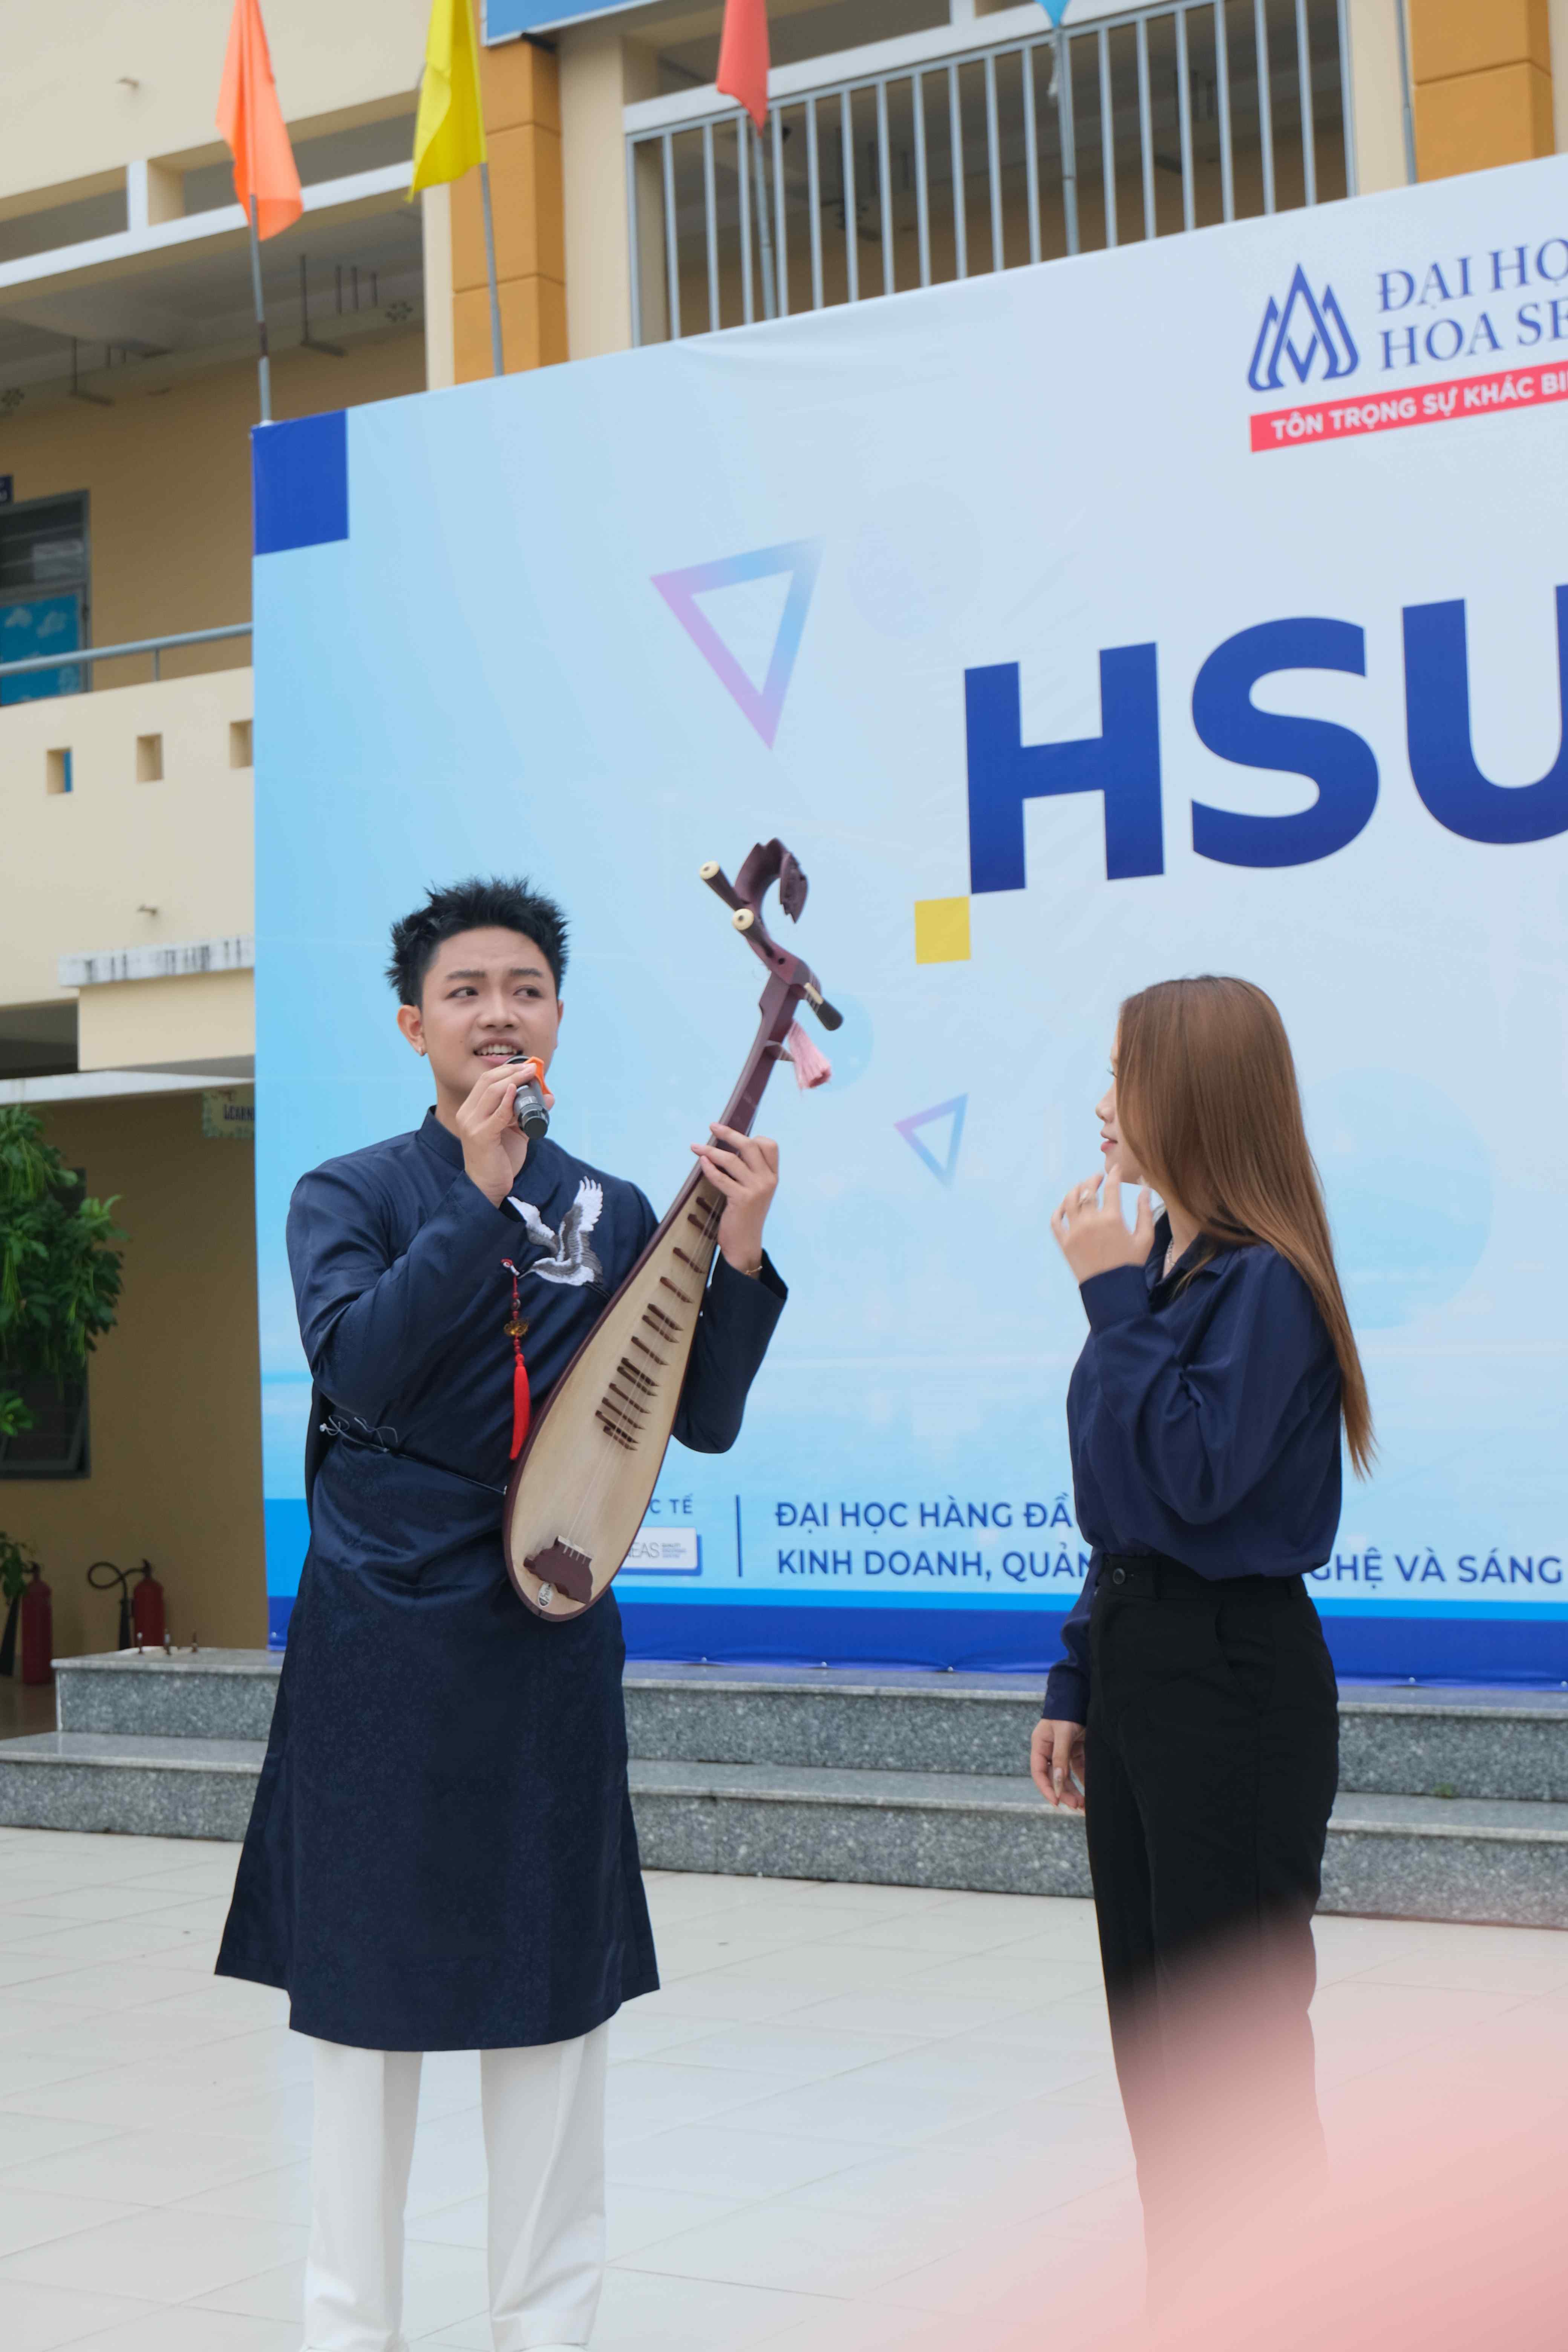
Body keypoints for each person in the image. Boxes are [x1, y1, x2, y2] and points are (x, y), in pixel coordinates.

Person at [216, 877, 786, 2352]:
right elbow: (362, 1369)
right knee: (364, 2021)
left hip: (545, 1644)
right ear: (414, 1027)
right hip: (383, 1641)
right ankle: (351, 2329)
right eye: (464, 991)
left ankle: (545, 2329)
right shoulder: (347, 1193)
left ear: (558, 1019)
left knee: (550, 2011)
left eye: (523, 988)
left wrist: (735, 1254)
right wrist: (475, 1198)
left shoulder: (612, 1207)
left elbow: (695, 1419)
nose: (497, 1013)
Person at [1029, 975, 1372, 2299]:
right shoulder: (1169, 1270)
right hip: (1146, 1660)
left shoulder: (1265, 1281)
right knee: (1159, 2039)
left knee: (1230, 2055)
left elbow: (1196, 1477)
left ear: (1192, 1091)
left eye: (1123, 1073)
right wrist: (1077, 1673)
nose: (1103, 1103)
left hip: (1232, 1675)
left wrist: (1112, 1304)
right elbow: (1127, 1512)